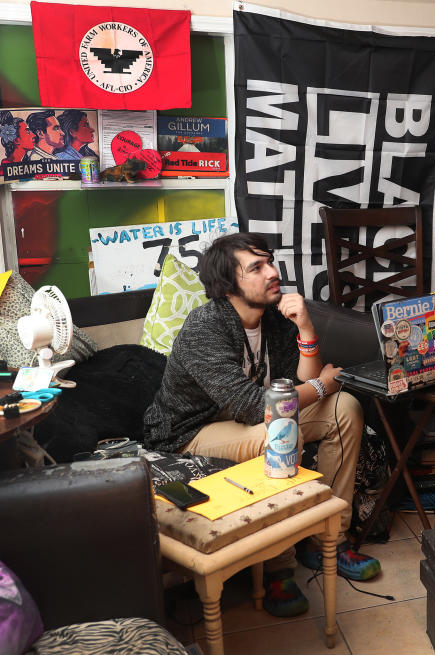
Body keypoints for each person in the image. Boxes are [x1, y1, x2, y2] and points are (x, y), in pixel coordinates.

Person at [142, 232, 381, 618]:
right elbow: (255, 407)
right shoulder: (206, 326)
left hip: (261, 416)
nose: (273, 272)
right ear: (228, 285)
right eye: (257, 267)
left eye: (269, 262)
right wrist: (321, 385)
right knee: (278, 433)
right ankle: (278, 566)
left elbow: (300, 379)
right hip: (192, 432)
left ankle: (328, 539)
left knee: (346, 407)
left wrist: (305, 328)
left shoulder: (271, 318)